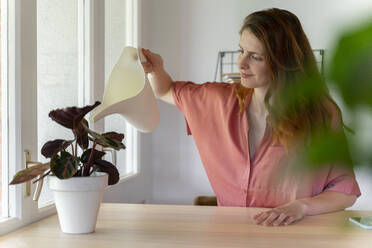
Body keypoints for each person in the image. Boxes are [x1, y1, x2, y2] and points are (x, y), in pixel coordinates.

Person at [141, 8, 361, 226]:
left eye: (255, 57)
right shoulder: (216, 100)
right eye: (241, 51)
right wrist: (155, 68)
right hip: (231, 235)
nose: (241, 63)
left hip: (295, 236)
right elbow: (165, 90)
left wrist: (301, 206)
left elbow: (345, 190)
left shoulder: (319, 114)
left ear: (283, 62)